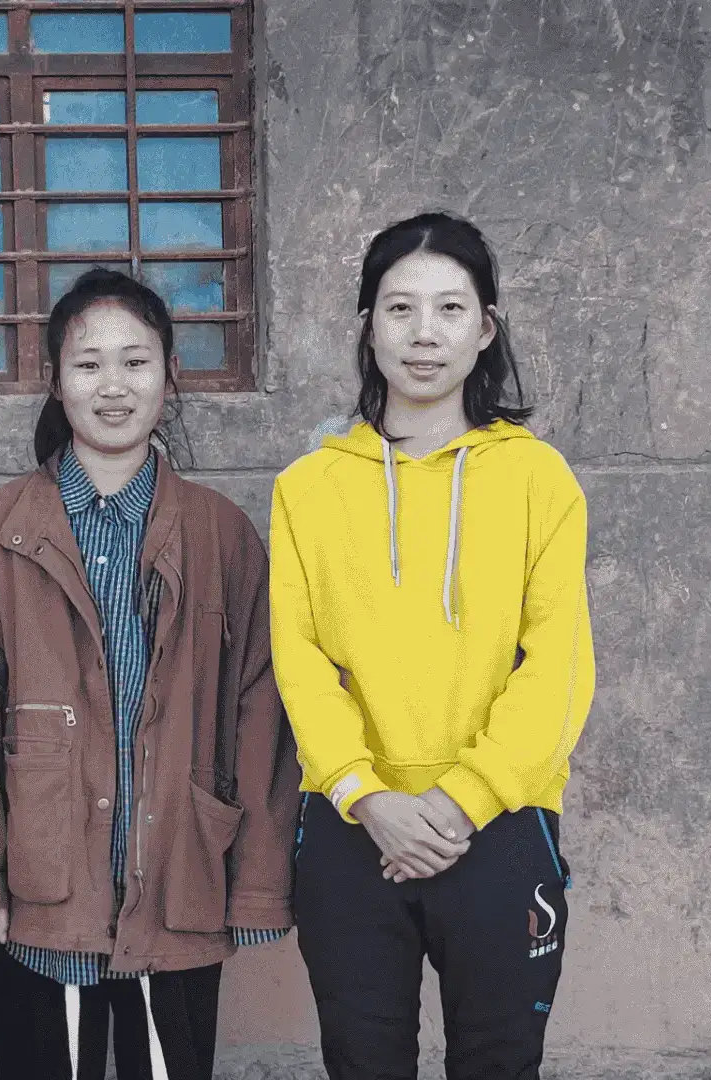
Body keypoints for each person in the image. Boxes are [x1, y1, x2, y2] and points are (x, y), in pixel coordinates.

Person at [0, 269, 301, 1080]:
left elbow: (259, 711)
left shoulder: (220, 534)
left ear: (170, 375)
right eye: (88, 364)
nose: (113, 387)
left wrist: (258, 882)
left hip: (179, 880)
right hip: (42, 886)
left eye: (136, 362)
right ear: (55, 381)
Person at [268, 211, 595, 1080]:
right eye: (399, 308)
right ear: (368, 325)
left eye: (450, 309)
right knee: (362, 1061)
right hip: (353, 827)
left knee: (498, 1062)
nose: (423, 334)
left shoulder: (538, 479)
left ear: (485, 329)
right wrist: (367, 796)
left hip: (501, 824)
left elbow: (558, 667)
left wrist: (460, 803)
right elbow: (298, 661)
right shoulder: (308, 488)